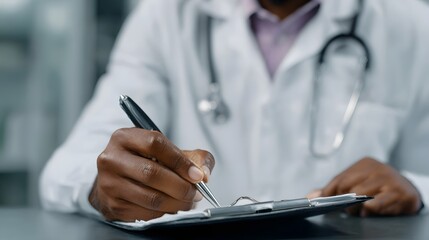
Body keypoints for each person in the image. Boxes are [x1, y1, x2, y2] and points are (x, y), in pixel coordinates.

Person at [40, 0, 429, 222]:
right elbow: (62, 171)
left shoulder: (409, 23)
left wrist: (416, 188)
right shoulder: (165, 16)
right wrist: (102, 188)